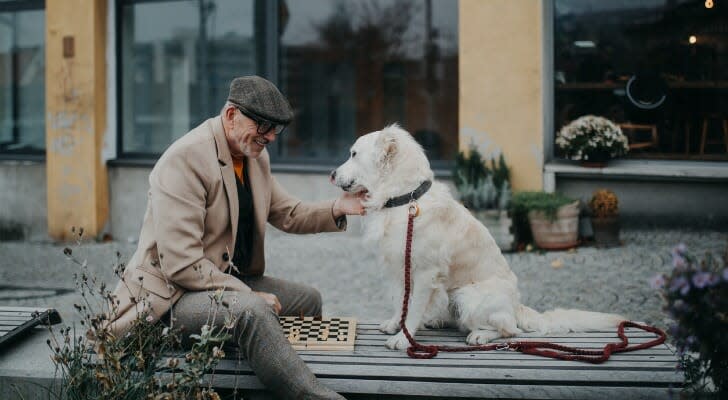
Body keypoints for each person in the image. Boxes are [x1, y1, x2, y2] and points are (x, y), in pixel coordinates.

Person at [108, 76, 364, 399]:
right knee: (250, 311)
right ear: (231, 116)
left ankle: (292, 373)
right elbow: (182, 264)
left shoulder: (253, 157)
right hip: (169, 299)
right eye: (264, 126)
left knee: (308, 299)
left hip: (222, 282)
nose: (271, 136)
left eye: (277, 129)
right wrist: (248, 295)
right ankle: (314, 395)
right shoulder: (184, 160)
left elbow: (289, 212)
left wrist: (340, 206)